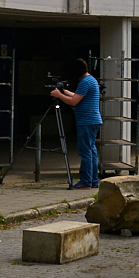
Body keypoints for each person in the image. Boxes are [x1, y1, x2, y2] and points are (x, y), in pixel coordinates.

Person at [51, 58, 101, 189]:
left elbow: (73, 101)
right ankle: (94, 180)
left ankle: (85, 181)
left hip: (86, 121)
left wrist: (59, 95)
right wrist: (65, 92)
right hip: (93, 120)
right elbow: (79, 96)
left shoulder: (84, 82)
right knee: (91, 151)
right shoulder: (91, 80)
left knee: (85, 152)